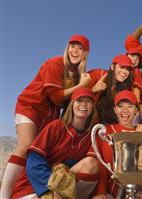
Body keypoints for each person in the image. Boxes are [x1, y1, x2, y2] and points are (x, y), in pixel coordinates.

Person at [1, 34, 91, 199]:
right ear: (67, 48)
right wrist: (81, 85)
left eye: (80, 48)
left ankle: (28, 191)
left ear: (85, 53)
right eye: (73, 46)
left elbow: (72, 101)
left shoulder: (77, 74)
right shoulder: (55, 63)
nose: (75, 51)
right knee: (26, 146)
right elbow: (56, 97)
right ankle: (4, 195)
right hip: (31, 106)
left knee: (41, 152)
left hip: (49, 116)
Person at [10, 87, 98, 199]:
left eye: (89, 101)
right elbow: (33, 162)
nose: (84, 104)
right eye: (79, 100)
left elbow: (89, 168)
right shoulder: (55, 126)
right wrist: (50, 189)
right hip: (34, 185)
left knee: (91, 163)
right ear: (72, 104)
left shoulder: (91, 136)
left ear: (93, 107)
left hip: (64, 188)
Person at [73, 90, 142, 199]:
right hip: (106, 193)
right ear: (115, 110)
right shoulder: (104, 132)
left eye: (130, 106)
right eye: (120, 106)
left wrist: (141, 138)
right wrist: (100, 192)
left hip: (132, 193)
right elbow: (99, 165)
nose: (125, 110)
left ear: (136, 110)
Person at [87, 54, 134, 124]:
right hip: (89, 123)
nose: (124, 72)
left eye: (127, 69)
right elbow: (77, 98)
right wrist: (93, 90)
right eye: (122, 67)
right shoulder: (97, 74)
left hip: (110, 126)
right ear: (112, 67)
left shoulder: (125, 87)